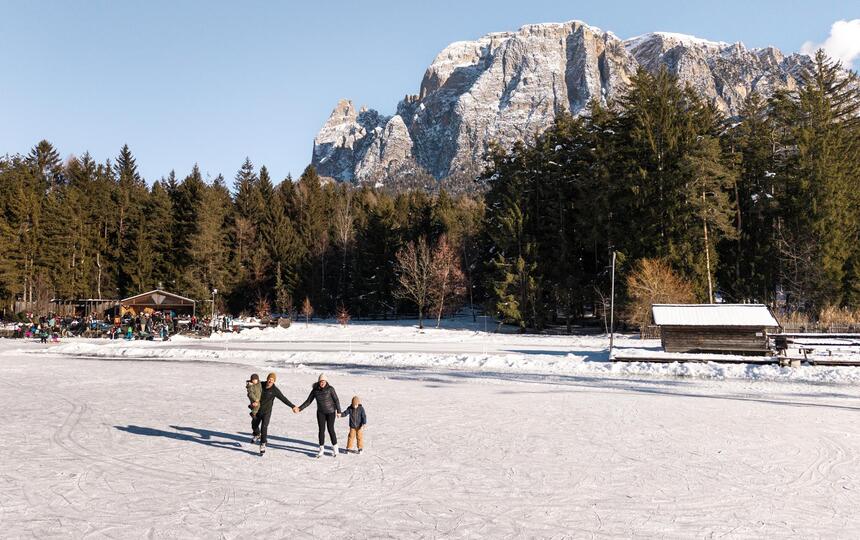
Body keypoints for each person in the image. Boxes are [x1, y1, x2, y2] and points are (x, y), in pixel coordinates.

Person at [295, 373, 341, 458]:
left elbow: (336, 400)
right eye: (321, 381)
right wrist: (300, 408)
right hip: (321, 413)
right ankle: (321, 449)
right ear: (319, 382)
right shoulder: (315, 390)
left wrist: (339, 411)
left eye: (323, 381)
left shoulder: (330, 389)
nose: (322, 383)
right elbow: (308, 401)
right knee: (321, 430)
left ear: (326, 381)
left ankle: (335, 448)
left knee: (331, 429)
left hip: (331, 412)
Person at [252, 372, 296, 455]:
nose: (270, 381)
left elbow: (283, 399)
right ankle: (257, 434)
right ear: (267, 379)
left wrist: (292, 406)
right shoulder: (261, 384)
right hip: (257, 410)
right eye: (269, 379)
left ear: (274, 381)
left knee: (264, 427)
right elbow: (252, 388)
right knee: (254, 425)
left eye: (272, 380)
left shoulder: (275, 390)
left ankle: (263, 444)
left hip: (267, 412)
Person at [246, 373, 262, 442]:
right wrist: (255, 400)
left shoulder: (259, 384)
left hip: (259, 402)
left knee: (255, 422)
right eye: (253, 380)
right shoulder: (250, 386)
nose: (254, 381)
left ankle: (257, 434)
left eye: (256, 380)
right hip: (255, 401)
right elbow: (250, 394)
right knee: (254, 422)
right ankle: (257, 434)